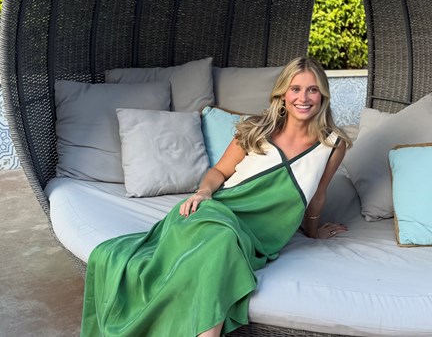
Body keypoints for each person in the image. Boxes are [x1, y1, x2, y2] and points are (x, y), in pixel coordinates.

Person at [80, 56, 351, 337]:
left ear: (323, 95)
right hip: (215, 213)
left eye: (312, 90)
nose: (303, 98)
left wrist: (313, 232)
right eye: (295, 89)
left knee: (221, 245)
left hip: (258, 237)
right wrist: (203, 193)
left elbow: (317, 194)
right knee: (221, 241)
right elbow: (219, 171)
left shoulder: (332, 144)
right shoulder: (257, 129)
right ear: (283, 94)